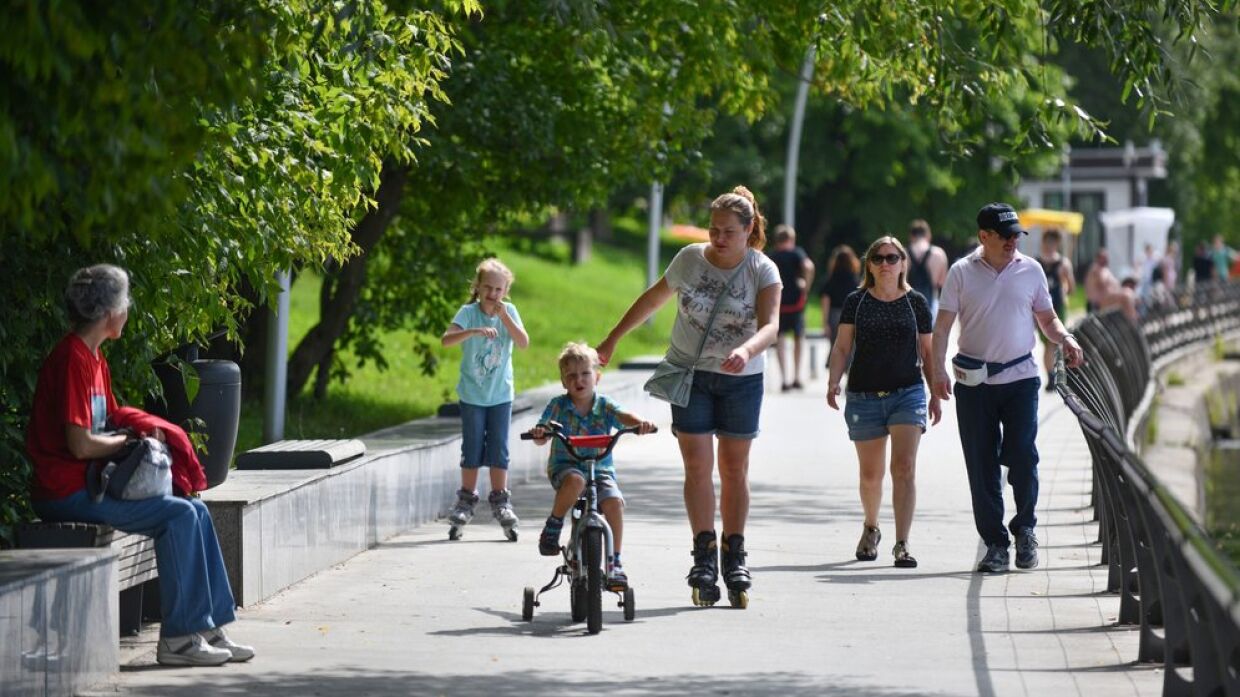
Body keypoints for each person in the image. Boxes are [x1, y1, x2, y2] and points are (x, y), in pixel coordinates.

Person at [27, 264, 254, 667]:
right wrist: (129, 442)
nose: (127, 309)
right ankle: (180, 640)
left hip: (91, 484)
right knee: (179, 516)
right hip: (67, 490)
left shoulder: (93, 358)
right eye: (124, 302)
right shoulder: (72, 359)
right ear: (109, 312)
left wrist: (147, 431)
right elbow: (80, 444)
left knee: (195, 510)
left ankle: (209, 627)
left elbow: (109, 416)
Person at [597, 185, 781, 607]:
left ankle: (735, 554)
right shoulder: (689, 260)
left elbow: (771, 325)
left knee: (734, 469)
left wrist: (746, 349)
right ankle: (703, 554)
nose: (717, 238)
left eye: (728, 232)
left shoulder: (763, 270)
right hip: (690, 374)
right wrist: (612, 340)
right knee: (697, 466)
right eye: (713, 229)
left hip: (741, 377)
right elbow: (653, 299)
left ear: (749, 229)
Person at [931, 203, 1084, 573]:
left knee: (1023, 457)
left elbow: (1046, 318)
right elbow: (942, 328)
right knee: (981, 465)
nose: (1014, 240)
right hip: (974, 383)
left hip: (1021, 379)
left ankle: (1026, 528)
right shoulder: (961, 273)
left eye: (1017, 234)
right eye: (1006, 235)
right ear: (984, 236)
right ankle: (996, 544)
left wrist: (1064, 337)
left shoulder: (1030, 270)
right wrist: (936, 371)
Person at [826, 236, 941, 568]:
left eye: (893, 258)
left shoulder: (915, 302)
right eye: (879, 258)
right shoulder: (857, 301)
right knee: (871, 476)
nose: (886, 264)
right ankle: (871, 526)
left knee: (903, 468)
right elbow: (842, 347)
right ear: (869, 265)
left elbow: (928, 351)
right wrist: (834, 379)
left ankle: (902, 543)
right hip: (864, 396)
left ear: (904, 263)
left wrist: (935, 392)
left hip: (907, 392)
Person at [530, 343, 656, 589]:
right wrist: (539, 433)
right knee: (576, 481)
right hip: (566, 467)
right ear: (564, 382)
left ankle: (614, 562)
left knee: (614, 503)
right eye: (572, 376)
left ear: (597, 377)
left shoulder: (605, 405)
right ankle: (554, 525)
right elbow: (543, 430)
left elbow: (624, 416)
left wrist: (641, 424)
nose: (579, 380)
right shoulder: (558, 405)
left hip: (600, 470)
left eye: (585, 373)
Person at [441, 257, 530, 540]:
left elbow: (524, 343)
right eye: (488, 288)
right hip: (472, 395)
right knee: (472, 447)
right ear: (477, 288)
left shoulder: (510, 311)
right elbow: (446, 339)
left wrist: (504, 318)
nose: (493, 295)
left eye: (498, 290)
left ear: (505, 291)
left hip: (501, 395)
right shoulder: (468, 313)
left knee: (499, 449)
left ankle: (500, 500)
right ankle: (466, 499)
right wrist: (474, 331)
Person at [768, 224, 815, 391]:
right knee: (798, 338)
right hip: (796, 301)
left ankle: (784, 379)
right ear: (791, 239)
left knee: (780, 338)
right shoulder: (797, 252)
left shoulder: (772, 256)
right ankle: (796, 377)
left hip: (778, 301)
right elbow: (808, 267)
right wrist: (806, 287)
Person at [1036, 229, 1075, 391]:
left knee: (1055, 343)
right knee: (1050, 344)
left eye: (1053, 242)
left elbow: (1071, 287)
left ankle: (1054, 375)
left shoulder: (1063, 263)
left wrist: (1063, 290)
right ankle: (1052, 375)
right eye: (1048, 241)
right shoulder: (1036, 263)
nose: (1050, 245)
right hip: (1041, 308)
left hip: (1057, 306)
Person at [820, 245, 862, 358]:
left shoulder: (830, 279)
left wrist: (824, 323)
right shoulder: (856, 280)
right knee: (851, 348)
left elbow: (825, 300)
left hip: (834, 316)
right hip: (852, 316)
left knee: (835, 346)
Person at [905, 219, 949, 322]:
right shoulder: (939, 254)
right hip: (930, 306)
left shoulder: (903, 254)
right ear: (928, 235)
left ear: (911, 236)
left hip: (908, 307)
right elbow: (942, 283)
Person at [1083, 248, 1138, 322]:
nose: (1106, 260)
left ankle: (1133, 319)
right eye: (1104, 258)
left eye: (1107, 257)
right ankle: (1133, 322)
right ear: (1098, 258)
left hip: (1106, 300)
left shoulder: (1103, 269)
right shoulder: (1096, 269)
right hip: (1097, 304)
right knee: (1126, 296)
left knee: (1130, 293)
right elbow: (1102, 282)